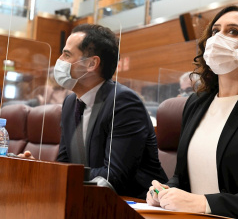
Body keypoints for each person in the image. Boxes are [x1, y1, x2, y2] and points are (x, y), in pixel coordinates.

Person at [146, 5, 238, 218]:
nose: (219, 37)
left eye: (233, 31)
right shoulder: (196, 102)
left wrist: (205, 203)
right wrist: (165, 190)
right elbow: (182, 177)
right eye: (215, 31)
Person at [20, 23, 167, 198]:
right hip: (89, 198)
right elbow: (65, 163)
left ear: (91, 63)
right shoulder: (70, 102)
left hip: (134, 204)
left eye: (67, 55)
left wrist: (59, 174)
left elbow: (114, 176)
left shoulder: (122, 102)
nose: (59, 60)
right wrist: (41, 170)